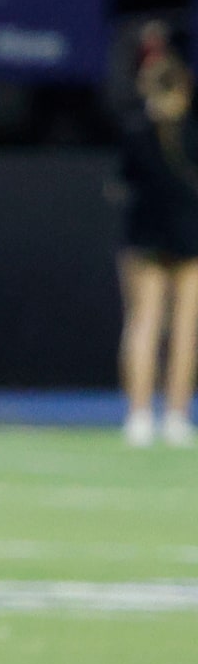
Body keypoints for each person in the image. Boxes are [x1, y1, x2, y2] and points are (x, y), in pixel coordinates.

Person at [114, 39, 198, 448]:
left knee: (143, 323)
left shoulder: (136, 128)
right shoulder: (192, 129)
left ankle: (139, 416)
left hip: (146, 235)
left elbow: (122, 182)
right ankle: (176, 417)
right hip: (187, 235)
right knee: (184, 328)